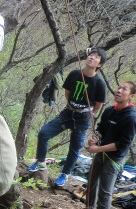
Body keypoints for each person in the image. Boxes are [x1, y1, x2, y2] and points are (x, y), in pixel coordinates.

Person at [27, 48, 107, 187]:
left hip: (83, 118)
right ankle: (40, 161)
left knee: (75, 148)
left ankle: (65, 174)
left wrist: (87, 111)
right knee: (44, 133)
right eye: (91, 54)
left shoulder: (99, 83)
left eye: (96, 57)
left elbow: (98, 104)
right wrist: (73, 106)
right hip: (68, 113)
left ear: (99, 64)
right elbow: (67, 93)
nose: (92, 57)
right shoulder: (75, 74)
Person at [69, 81, 136, 209]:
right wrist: (94, 139)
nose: (118, 90)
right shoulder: (109, 110)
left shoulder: (131, 118)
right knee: (91, 182)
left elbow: (122, 144)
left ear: (131, 96)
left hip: (114, 159)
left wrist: (98, 148)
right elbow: (101, 130)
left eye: (124, 89)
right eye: (118, 87)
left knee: (105, 191)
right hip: (101, 152)